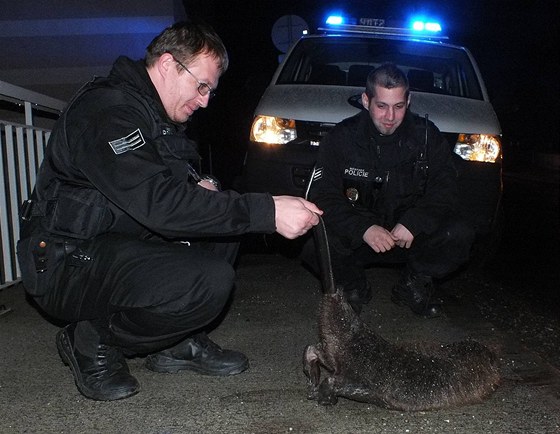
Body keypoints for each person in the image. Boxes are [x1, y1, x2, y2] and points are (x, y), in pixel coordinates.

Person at [17, 20, 321, 401]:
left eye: (211, 90)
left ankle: (174, 342)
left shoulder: (159, 118)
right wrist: (267, 211)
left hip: (113, 246)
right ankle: (90, 338)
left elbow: (175, 187)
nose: (206, 100)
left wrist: (202, 186)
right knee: (208, 281)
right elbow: (159, 204)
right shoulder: (108, 111)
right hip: (66, 263)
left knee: (220, 224)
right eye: (202, 86)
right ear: (167, 65)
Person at [305, 63, 474, 317]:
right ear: (366, 100)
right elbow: (322, 196)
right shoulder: (340, 138)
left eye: (398, 106)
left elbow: (446, 189)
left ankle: (413, 283)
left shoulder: (427, 137)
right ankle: (351, 287)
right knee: (313, 232)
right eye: (381, 106)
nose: (390, 117)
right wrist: (363, 229)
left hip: (407, 235)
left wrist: (415, 221)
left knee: (460, 231)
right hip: (359, 237)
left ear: (409, 101)